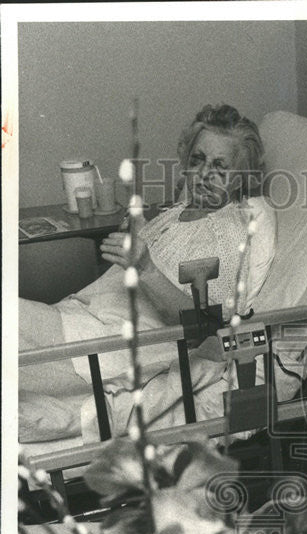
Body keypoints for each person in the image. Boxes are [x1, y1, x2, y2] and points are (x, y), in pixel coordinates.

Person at [19, 104, 276, 393]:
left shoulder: (227, 232)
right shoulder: (179, 210)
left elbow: (206, 329)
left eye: (220, 167)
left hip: (110, 348)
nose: (204, 174)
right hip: (83, 320)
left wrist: (145, 267)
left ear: (240, 178)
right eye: (198, 159)